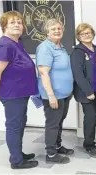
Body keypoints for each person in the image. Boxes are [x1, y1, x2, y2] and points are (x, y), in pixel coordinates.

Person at [0, 11, 38, 169]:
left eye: (19, 22)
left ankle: (18, 153)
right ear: (4, 26)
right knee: (14, 125)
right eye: (12, 22)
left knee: (19, 123)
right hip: (12, 94)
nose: (17, 25)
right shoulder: (5, 45)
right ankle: (17, 161)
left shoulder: (16, 43)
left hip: (20, 93)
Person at [36, 18, 74, 164]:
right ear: (47, 32)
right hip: (53, 95)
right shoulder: (46, 47)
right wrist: (51, 96)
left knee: (59, 121)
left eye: (59, 28)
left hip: (64, 94)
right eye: (53, 29)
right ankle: (51, 154)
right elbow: (44, 73)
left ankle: (57, 146)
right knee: (53, 123)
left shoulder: (60, 46)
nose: (57, 31)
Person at [71, 23, 96, 158]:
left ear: (93, 33)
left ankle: (90, 141)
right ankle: (89, 145)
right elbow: (78, 74)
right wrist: (88, 91)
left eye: (88, 32)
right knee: (90, 118)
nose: (86, 35)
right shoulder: (77, 52)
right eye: (82, 33)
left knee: (94, 117)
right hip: (87, 92)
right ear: (78, 37)